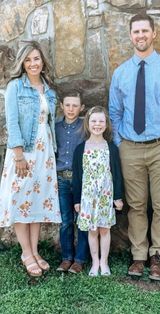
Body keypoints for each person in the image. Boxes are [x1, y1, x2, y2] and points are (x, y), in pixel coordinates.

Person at [109, 13, 160, 280]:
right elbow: (115, 113)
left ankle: (157, 255)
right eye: (136, 32)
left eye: (145, 31)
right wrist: (121, 144)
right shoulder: (120, 73)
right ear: (130, 36)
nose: (141, 36)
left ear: (154, 34)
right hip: (130, 148)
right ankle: (138, 256)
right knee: (135, 205)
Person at [0, 41, 61, 277]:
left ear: (42, 61)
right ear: (22, 64)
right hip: (24, 152)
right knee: (20, 200)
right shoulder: (15, 87)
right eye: (28, 60)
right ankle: (25, 252)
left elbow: (49, 124)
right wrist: (18, 156)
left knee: (37, 200)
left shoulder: (50, 90)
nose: (33, 63)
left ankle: (35, 251)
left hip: (44, 153)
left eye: (36, 59)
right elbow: (12, 122)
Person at [72, 106, 123, 276]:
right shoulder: (81, 149)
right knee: (92, 231)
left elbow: (116, 174)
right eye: (94, 121)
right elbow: (77, 177)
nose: (97, 124)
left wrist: (117, 197)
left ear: (106, 124)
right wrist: (77, 201)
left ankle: (104, 262)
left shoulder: (111, 148)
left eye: (101, 121)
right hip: (88, 197)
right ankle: (94, 263)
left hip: (105, 197)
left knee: (104, 230)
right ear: (88, 123)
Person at [55, 90, 90, 274]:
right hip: (61, 180)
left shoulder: (85, 128)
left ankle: (80, 259)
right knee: (66, 221)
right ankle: (67, 257)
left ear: (81, 107)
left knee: (82, 220)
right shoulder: (55, 127)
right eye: (67, 105)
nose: (71, 109)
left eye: (75, 105)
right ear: (61, 106)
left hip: (80, 180)